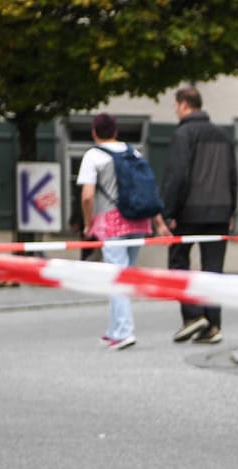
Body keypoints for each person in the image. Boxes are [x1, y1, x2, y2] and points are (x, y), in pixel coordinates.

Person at [79, 113, 165, 351]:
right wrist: (159, 222)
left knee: (117, 278)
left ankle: (125, 332)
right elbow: (147, 189)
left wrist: (89, 223)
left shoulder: (93, 155)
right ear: (115, 131)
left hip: (112, 223)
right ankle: (114, 329)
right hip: (139, 221)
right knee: (124, 276)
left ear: (95, 132)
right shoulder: (133, 152)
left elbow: (87, 196)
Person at [161, 86, 237, 346]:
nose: (175, 110)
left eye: (175, 105)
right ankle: (212, 326)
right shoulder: (223, 136)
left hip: (189, 213)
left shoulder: (183, 134)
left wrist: (168, 212)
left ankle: (193, 316)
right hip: (219, 213)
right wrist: (231, 210)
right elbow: (233, 176)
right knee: (213, 271)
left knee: (178, 264)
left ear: (184, 105)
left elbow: (177, 175)